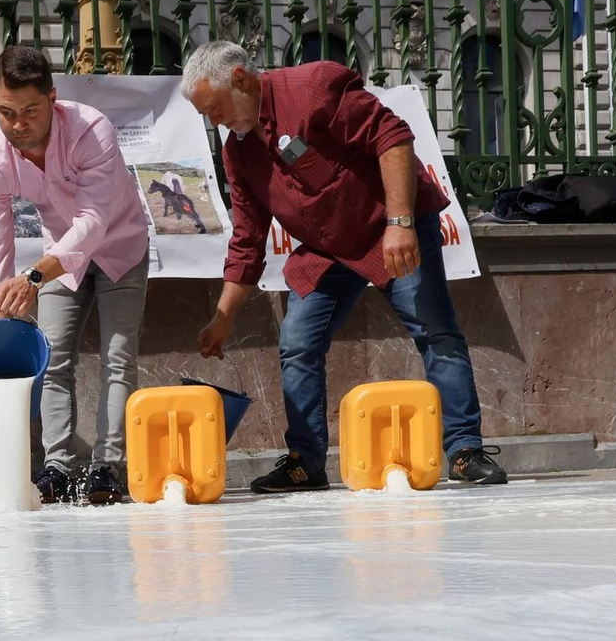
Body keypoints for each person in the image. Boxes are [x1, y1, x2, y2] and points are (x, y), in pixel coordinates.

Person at [183, 41, 508, 491]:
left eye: (215, 108)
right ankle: (305, 462)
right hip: (327, 247)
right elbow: (248, 238)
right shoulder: (238, 152)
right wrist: (224, 316)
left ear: (240, 78)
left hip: (388, 222)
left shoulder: (314, 86)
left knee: (434, 329)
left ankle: (464, 449)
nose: (214, 121)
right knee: (297, 342)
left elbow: (392, 137)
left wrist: (400, 223)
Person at [0, 45, 149, 505]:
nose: (18, 124)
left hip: (120, 248)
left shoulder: (91, 129)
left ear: (52, 98)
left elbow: (93, 222)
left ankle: (108, 466)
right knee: (52, 359)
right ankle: (57, 468)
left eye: (30, 110)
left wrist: (32, 277)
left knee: (117, 356)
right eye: (6, 113)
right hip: (59, 263)